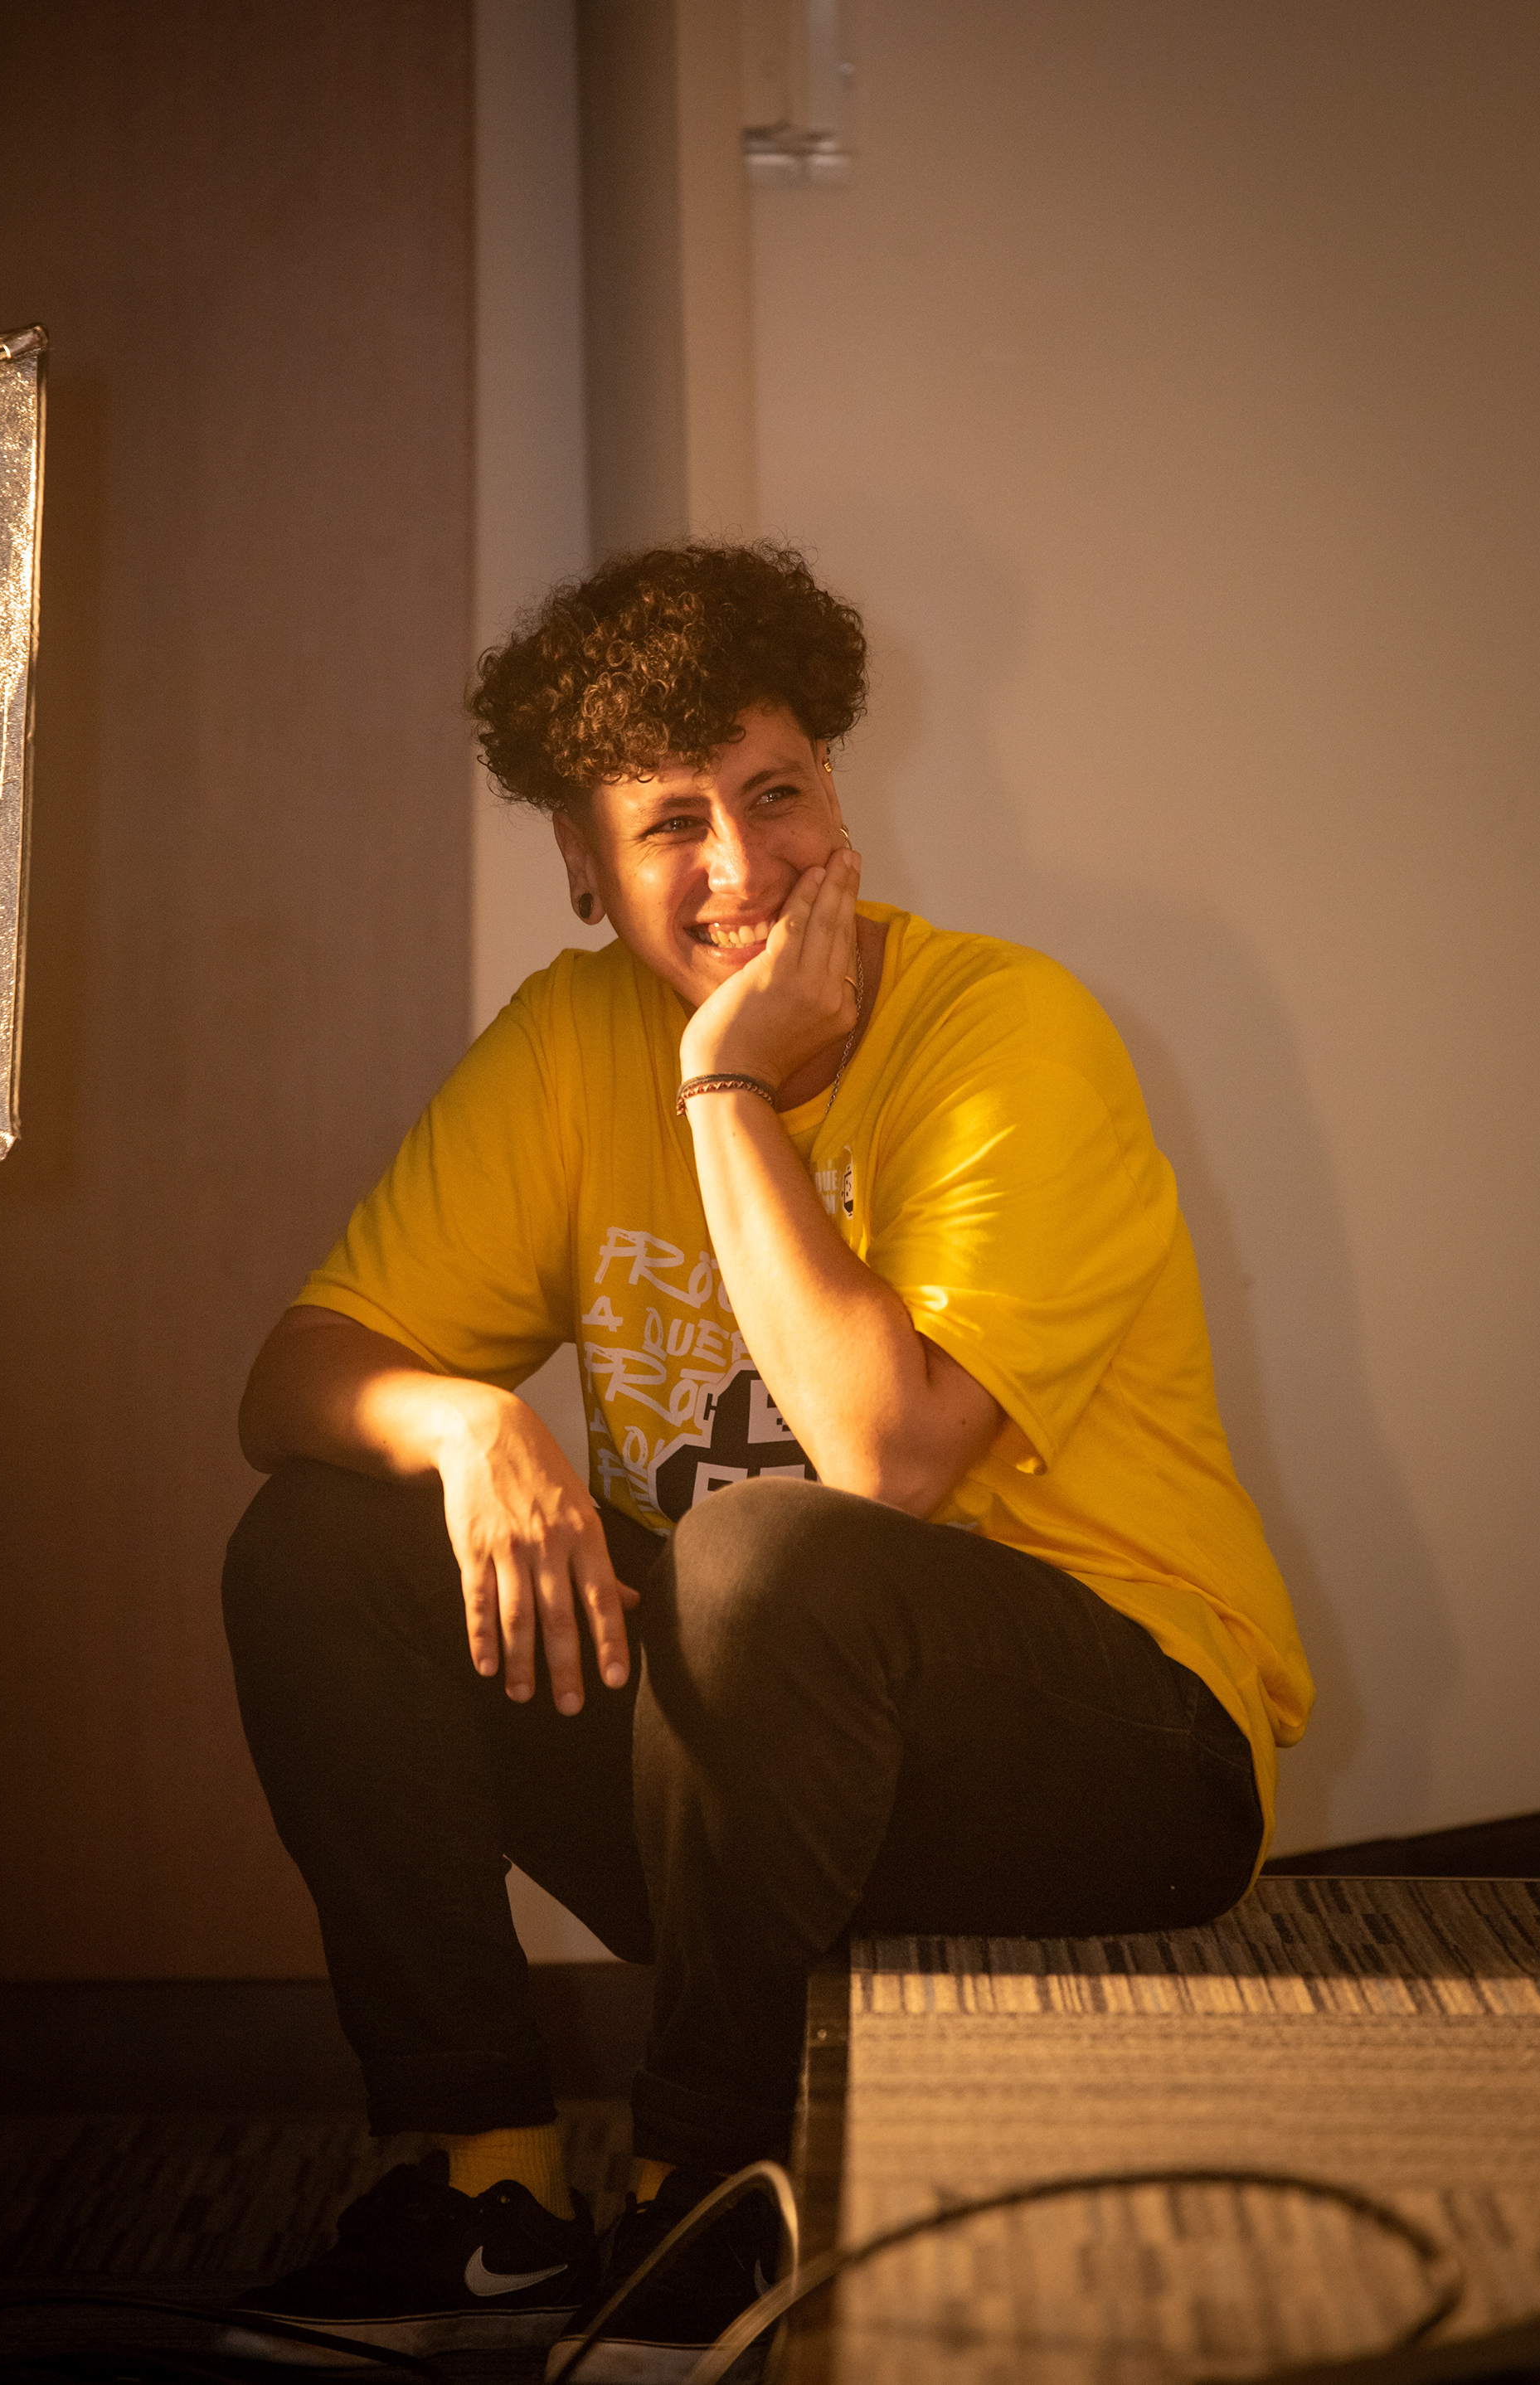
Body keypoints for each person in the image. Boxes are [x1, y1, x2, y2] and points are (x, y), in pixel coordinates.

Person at [221, 541, 1313, 2377]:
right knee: (323, 1546)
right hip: (750, 1778)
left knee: (762, 1552)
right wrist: (465, 1416)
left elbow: (884, 1462)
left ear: (837, 793)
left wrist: (725, 1085)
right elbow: (296, 1376)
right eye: (670, 823)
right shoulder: (568, 1042)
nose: (743, 865)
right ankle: (491, 2204)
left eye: (777, 792)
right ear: (581, 863)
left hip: (1118, 1748)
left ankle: (704, 2197)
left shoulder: (1007, 1032)